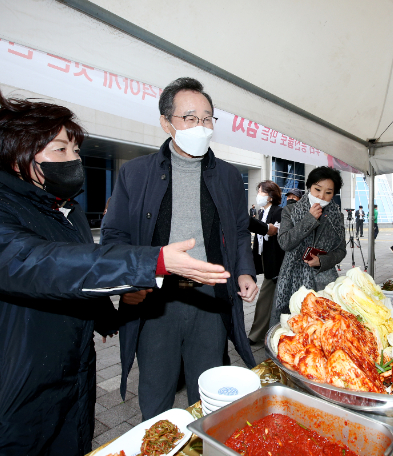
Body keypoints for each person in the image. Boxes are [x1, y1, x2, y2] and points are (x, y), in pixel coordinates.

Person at [0, 92, 229, 455]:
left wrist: (107, 312)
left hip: (67, 385)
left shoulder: (63, 209)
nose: (74, 160)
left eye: (76, 151)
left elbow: (83, 267)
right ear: (18, 156)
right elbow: (40, 264)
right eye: (60, 151)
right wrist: (152, 263)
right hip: (2, 398)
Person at [101, 77, 258, 415]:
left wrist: (245, 270)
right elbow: (115, 237)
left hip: (210, 300)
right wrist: (131, 284)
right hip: (157, 302)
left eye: (206, 118)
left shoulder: (229, 177)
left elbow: (241, 231)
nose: (200, 126)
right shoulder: (135, 173)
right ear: (166, 122)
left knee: (209, 401)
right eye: (190, 118)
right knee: (155, 396)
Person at [271, 166, 347, 326]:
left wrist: (322, 261)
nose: (321, 196)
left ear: (334, 194)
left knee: (323, 327)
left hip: (324, 280)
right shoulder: (290, 211)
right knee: (290, 326)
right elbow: (284, 242)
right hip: (292, 278)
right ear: (309, 187)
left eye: (328, 192)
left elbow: (341, 250)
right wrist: (309, 219)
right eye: (317, 189)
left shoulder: (337, 217)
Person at [247, 180, 285, 344]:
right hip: (263, 260)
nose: (258, 195)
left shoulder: (279, 212)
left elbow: (276, 235)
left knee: (264, 298)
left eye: (261, 192)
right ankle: (271, 332)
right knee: (272, 300)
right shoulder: (262, 212)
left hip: (274, 263)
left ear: (270, 196)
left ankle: (255, 335)